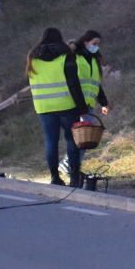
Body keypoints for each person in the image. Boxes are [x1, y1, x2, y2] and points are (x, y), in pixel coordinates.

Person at [28, 27, 89, 186]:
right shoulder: (66, 54)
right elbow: (73, 83)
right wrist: (81, 106)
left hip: (44, 106)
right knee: (72, 141)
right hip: (66, 105)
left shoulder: (32, 57)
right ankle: (74, 178)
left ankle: (55, 177)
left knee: (51, 141)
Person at [73, 30, 109, 116]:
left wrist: (104, 103)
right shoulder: (75, 58)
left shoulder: (94, 60)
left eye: (98, 44)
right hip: (75, 104)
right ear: (85, 42)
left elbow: (96, 84)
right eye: (94, 43)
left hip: (89, 104)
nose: (96, 47)